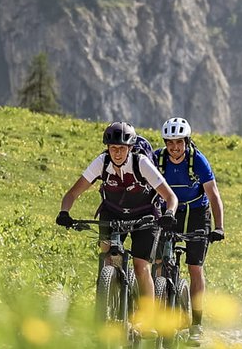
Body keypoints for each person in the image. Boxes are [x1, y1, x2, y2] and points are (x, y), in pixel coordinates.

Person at [57, 122, 178, 299]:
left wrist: (169, 213)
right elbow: (72, 193)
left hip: (145, 214)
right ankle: (109, 302)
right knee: (108, 257)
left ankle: (147, 321)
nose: (117, 153)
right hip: (112, 212)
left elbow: (171, 197)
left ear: (130, 148)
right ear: (107, 148)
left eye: (122, 148)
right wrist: (64, 212)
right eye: (113, 148)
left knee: (141, 266)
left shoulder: (141, 163)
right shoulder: (101, 162)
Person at [155, 117, 226, 331]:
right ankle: (159, 308)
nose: (174, 147)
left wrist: (219, 227)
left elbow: (213, 195)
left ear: (187, 141)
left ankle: (196, 323)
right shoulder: (158, 159)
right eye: (170, 142)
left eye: (179, 142)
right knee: (159, 261)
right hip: (170, 211)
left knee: (194, 267)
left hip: (196, 213)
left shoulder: (198, 161)